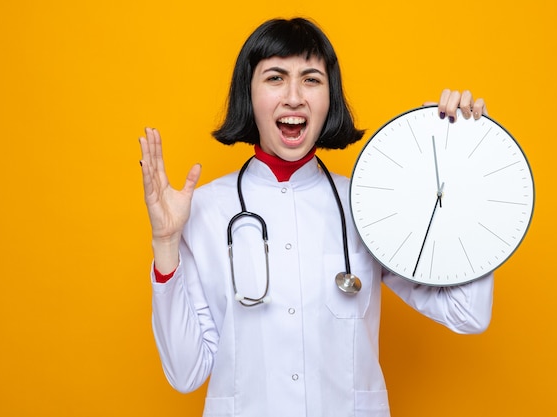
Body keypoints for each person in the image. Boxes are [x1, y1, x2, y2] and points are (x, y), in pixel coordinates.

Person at [138, 17, 493, 417]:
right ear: (248, 94)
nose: (294, 97)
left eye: (311, 79)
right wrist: (166, 243)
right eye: (275, 78)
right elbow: (186, 373)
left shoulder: (369, 203)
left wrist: (463, 168)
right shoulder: (204, 210)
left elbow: (467, 313)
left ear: (330, 97)